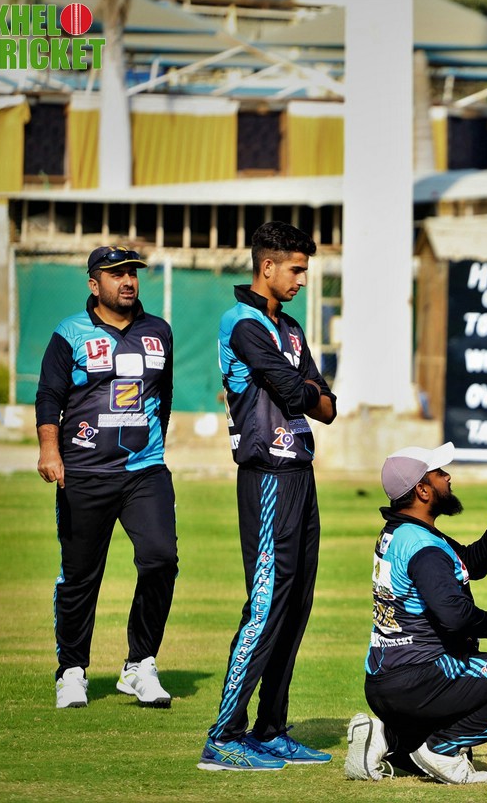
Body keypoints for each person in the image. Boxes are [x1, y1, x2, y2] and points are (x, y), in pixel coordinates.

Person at [199, 221, 337, 771]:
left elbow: (327, 406)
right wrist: (306, 389)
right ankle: (223, 736)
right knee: (266, 605)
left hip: (300, 473)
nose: (302, 280)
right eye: (296, 270)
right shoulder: (242, 323)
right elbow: (293, 390)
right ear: (267, 266)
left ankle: (271, 729)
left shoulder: (292, 327)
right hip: (266, 477)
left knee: (295, 606)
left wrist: (306, 389)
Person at [345, 443, 487, 786]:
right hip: (422, 677)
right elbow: (455, 616)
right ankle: (442, 748)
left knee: (428, 749)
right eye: (440, 474)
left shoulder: (402, 532)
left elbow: (467, 564)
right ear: (423, 491)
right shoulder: (424, 547)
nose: (448, 477)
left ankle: (384, 736)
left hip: (388, 681)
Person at [36, 245, 177, 710]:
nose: (128, 281)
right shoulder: (69, 333)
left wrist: (151, 447)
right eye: (116, 274)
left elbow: (164, 396)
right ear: (94, 284)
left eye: (132, 272)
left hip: (144, 471)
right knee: (80, 576)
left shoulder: (159, 331)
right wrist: (50, 450)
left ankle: (140, 664)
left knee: (160, 559)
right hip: (83, 472)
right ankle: (72, 671)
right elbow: (49, 396)